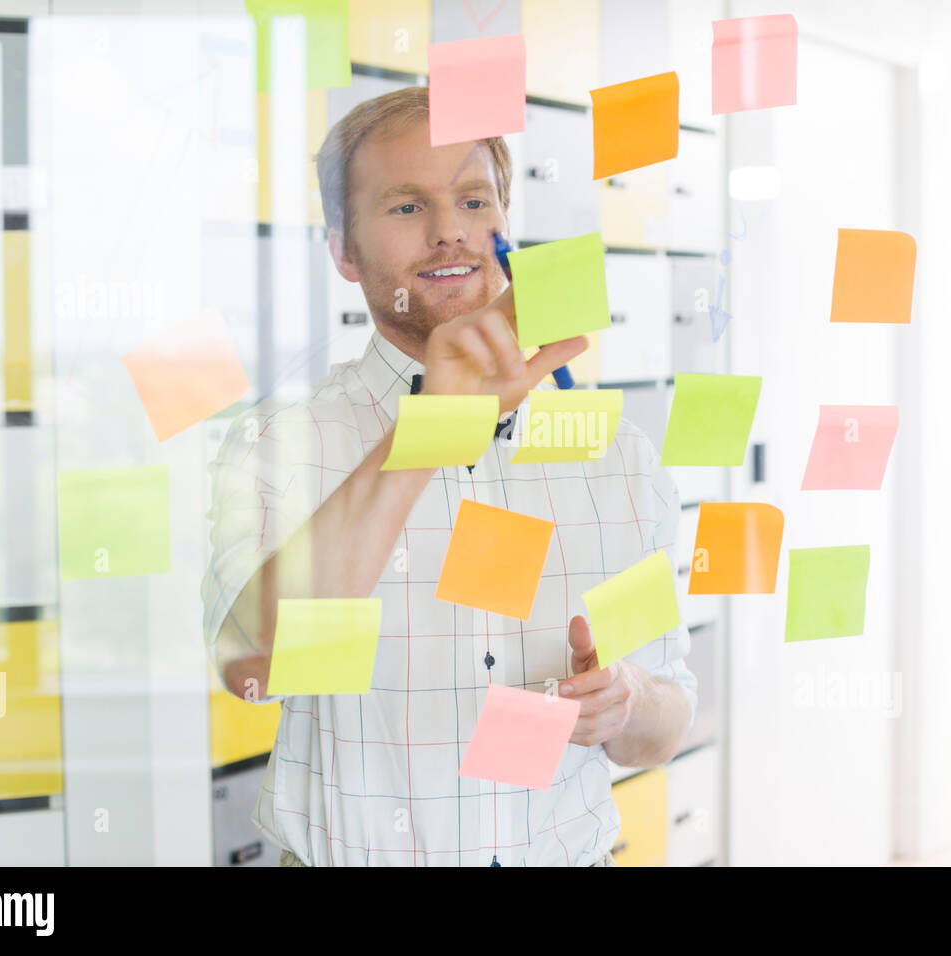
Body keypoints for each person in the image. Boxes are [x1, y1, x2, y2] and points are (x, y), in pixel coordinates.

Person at [201, 86, 698, 867]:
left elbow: (665, 728)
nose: (449, 233)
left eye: (473, 199)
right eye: (406, 208)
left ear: (505, 224)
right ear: (344, 251)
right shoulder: (280, 442)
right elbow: (253, 668)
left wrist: (625, 700)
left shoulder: (612, 454)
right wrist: (432, 426)